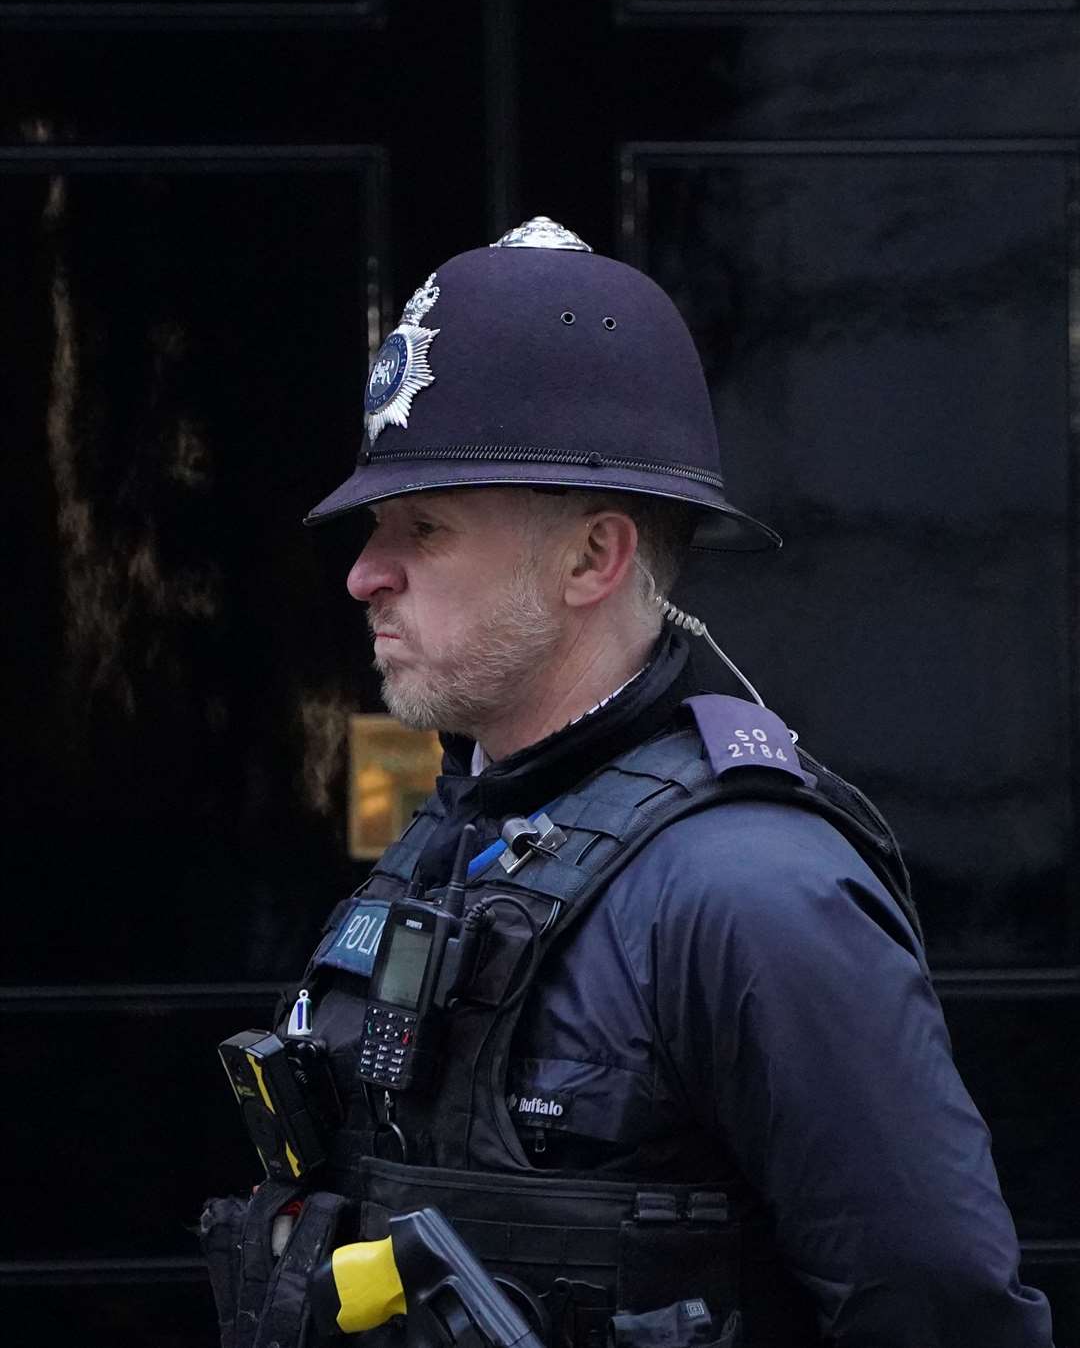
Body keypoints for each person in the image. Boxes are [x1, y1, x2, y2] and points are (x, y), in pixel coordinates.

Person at [203, 218, 1054, 1348]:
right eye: (375, 527)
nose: (365, 573)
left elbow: (941, 1309)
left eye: (426, 525)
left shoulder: (752, 891)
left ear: (592, 558)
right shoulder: (458, 839)